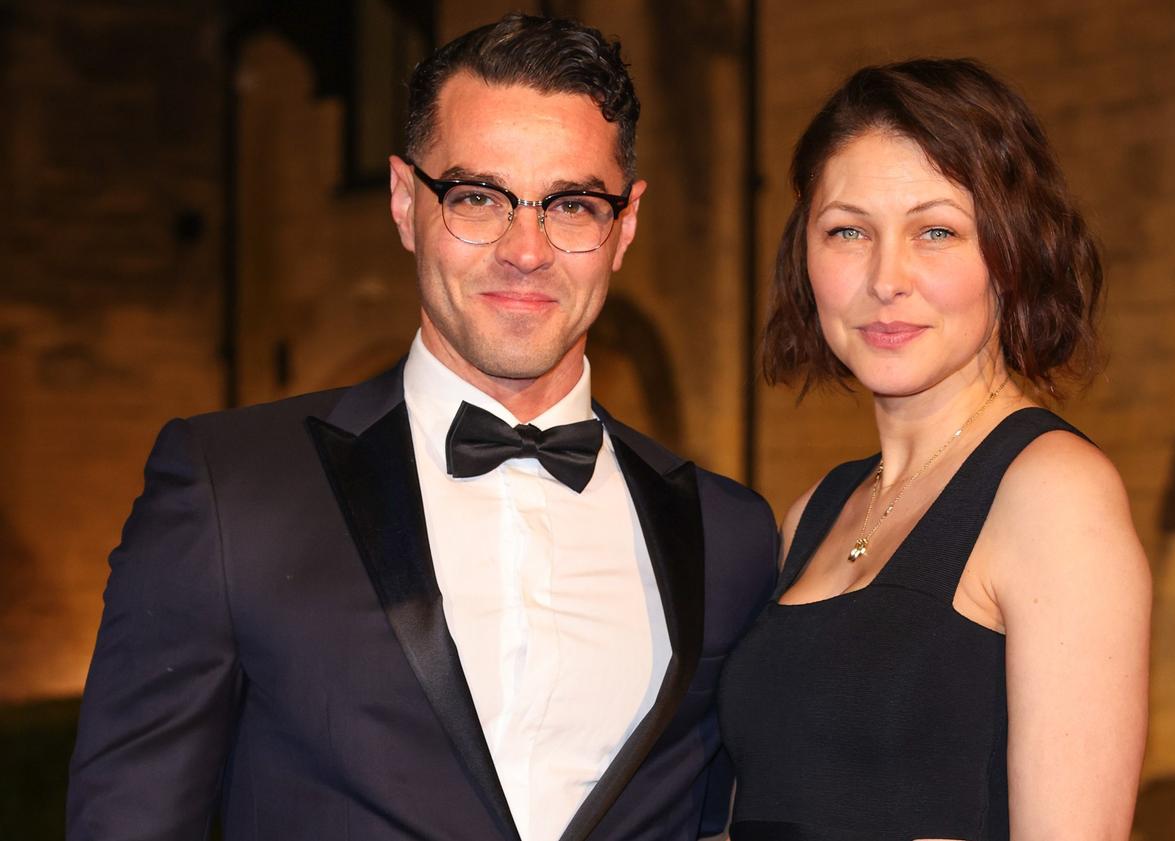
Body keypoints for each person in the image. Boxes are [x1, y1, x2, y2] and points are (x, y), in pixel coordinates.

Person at [67, 14, 777, 841]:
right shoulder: (227, 492)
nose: (525, 250)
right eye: (477, 197)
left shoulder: (730, 537)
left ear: (624, 226)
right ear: (406, 202)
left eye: (573, 204)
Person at [717, 59, 1150, 840]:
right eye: (847, 231)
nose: (887, 278)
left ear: (1012, 254)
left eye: (937, 231)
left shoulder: (1054, 494)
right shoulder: (813, 511)